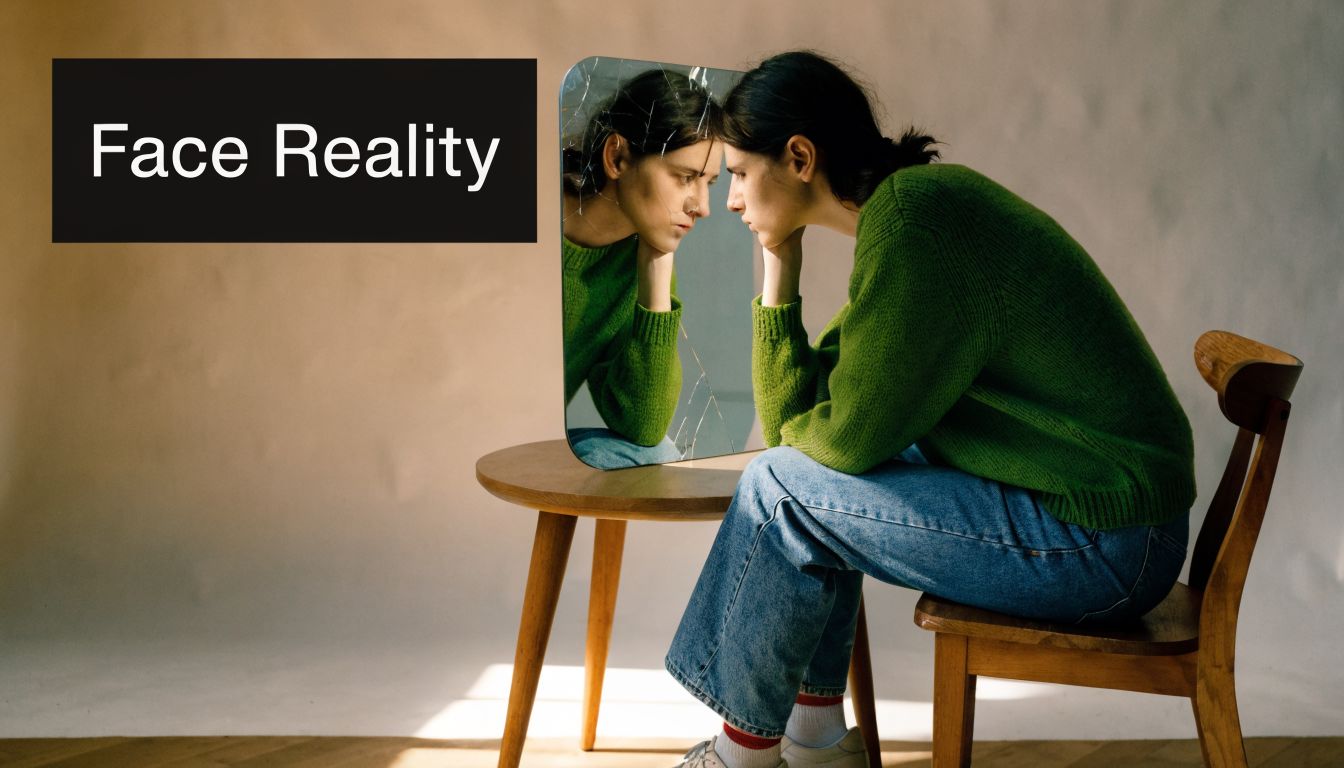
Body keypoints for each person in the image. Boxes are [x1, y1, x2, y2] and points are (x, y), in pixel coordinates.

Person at [664, 51, 1195, 768]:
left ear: (799, 157)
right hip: (1105, 528)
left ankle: (741, 758)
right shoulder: (910, 215)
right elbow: (806, 422)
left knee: (779, 489)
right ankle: (816, 744)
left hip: (1105, 544)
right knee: (796, 479)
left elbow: (838, 443)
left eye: (737, 172)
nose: (729, 200)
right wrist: (780, 269)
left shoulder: (918, 225)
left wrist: (811, 442)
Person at [561, 68, 725, 468]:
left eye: (708, 183)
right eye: (685, 177)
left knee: (657, 454)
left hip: (528, 435)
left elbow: (644, 427)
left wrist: (656, 266)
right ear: (617, 157)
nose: (702, 207)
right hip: (463, 424)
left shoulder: (638, 256)